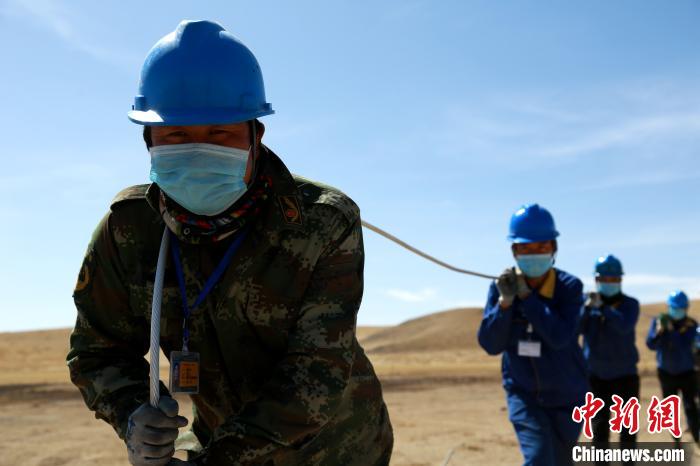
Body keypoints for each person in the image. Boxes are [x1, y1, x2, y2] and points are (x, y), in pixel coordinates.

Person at [66, 19, 393, 466]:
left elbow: (314, 374)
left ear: (256, 136)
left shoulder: (321, 223)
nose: (198, 150)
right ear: (149, 141)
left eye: (219, 133)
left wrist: (215, 461)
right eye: (177, 135)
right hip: (216, 438)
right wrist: (133, 416)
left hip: (338, 450)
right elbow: (98, 350)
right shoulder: (129, 230)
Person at [477, 203, 587, 466]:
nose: (534, 254)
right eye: (525, 248)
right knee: (539, 459)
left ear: (553, 248)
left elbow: (559, 337)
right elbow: (491, 344)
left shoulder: (569, 288)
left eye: (541, 247)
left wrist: (527, 297)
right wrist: (505, 304)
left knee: (561, 462)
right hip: (524, 395)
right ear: (514, 251)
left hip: (567, 395)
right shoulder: (501, 287)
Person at [579, 254, 640, 465]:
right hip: (596, 376)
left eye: (614, 279)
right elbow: (576, 329)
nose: (609, 283)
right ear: (596, 280)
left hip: (626, 376)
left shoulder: (630, 304)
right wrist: (586, 308)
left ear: (620, 280)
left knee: (628, 430)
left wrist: (604, 309)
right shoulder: (587, 305)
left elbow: (624, 326)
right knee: (599, 429)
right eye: (604, 279)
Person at [646, 290, 699, 444]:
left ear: (686, 308)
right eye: (674, 308)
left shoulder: (691, 325)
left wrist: (670, 331)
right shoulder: (658, 322)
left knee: (691, 406)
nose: (677, 311)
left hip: (687, 372)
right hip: (666, 373)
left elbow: (684, 345)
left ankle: (696, 437)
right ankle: (676, 440)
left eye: (680, 308)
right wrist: (658, 332)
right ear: (669, 307)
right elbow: (651, 345)